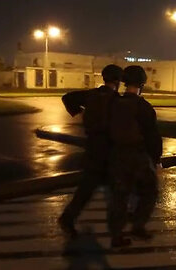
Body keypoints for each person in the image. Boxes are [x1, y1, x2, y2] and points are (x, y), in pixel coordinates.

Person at [58, 64, 124, 238]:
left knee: (87, 189)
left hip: (92, 148)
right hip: (109, 151)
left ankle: (68, 218)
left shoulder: (90, 95)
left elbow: (67, 98)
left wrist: (80, 114)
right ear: (118, 81)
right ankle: (116, 231)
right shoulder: (117, 100)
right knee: (116, 191)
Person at [108, 65, 163, 248]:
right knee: (150, 191)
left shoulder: (114, 103)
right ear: (142, 84)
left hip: (117, 155)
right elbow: (153, 137)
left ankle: (117, 236)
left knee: (120, 196)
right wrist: (156, 161)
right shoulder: (144, 107)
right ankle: (138, 226)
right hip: (138, 157)